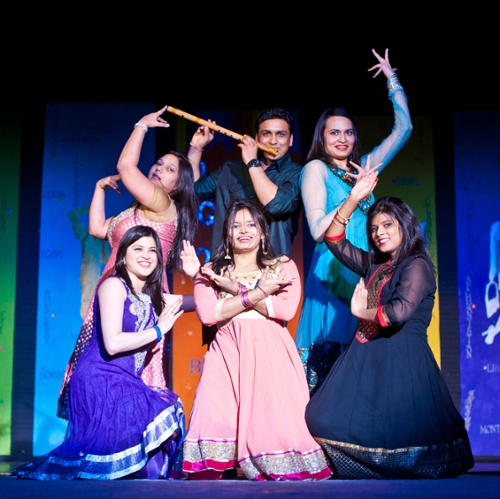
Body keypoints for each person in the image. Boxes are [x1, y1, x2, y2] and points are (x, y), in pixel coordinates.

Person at [305, 167, 474, 478]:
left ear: (404, 226)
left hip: (402, 358)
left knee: (401, 435)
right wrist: (354, 198)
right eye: (373, 228)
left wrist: (360, 311)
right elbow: (333, 237)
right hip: (366, 356)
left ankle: (391, 480)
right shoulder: (374, 263)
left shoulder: (417, 265)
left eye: (387, 225)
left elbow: (396, 313)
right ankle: (369, 471)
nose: (378, 232)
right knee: (319, 417)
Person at [57, 107, 198, 419]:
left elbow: (125, 165)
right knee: (102, 362)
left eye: (170, 169)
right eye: (158, 163)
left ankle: (133, 439)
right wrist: (98, 188)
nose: (159, 169)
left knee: (134, 367)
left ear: (178, 185)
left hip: (140, 293)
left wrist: (141, 125)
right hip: (111, 291)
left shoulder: (163, 204)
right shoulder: (132, 212)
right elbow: (96, 229)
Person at [14, 226, 186, 480]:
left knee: (148, 461)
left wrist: (239, 291)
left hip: (126, 381)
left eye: (152, 250)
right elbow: (113, 343)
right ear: (122, 255)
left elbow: (206, 305)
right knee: (150, 426)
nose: (146, 255)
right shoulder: (113, 286)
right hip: (99, 379)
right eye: (138, 248)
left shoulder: (152, 297)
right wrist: (159, 331)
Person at [179, 199, 331, 481]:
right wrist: (258, 293)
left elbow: (285, 310)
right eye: (236, 226)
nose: (243, 231)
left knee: (271, 423)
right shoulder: (211, 271)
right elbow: (210, 315)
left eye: (251, 225)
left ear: (263, 232)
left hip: (269, 351)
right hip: (226, 352)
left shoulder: (281, 265)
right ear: (226, 234)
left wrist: (235, 290)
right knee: (215, 415)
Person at [295, 49, 413, 393]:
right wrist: (354, 197)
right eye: (334, 133)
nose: (342, 139)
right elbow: (318, 230)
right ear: (322, 137)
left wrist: (392, 79)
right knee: (331, 373)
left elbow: (404, 128)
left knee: (366, 372)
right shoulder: (314, 169)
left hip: (366, 270)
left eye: (348, 132)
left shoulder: (363, 167)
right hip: (333, 272)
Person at [188, 108, 302, 257]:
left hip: (274, 270)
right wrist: (196, 147)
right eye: (266, 133)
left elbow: (276, 205)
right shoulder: (231, 169)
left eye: (280, 134)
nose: (273, 141)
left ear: (291, 139)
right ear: (257, 138)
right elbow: (192, 191)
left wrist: (252, 162)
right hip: (229, 267)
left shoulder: (297, 174)